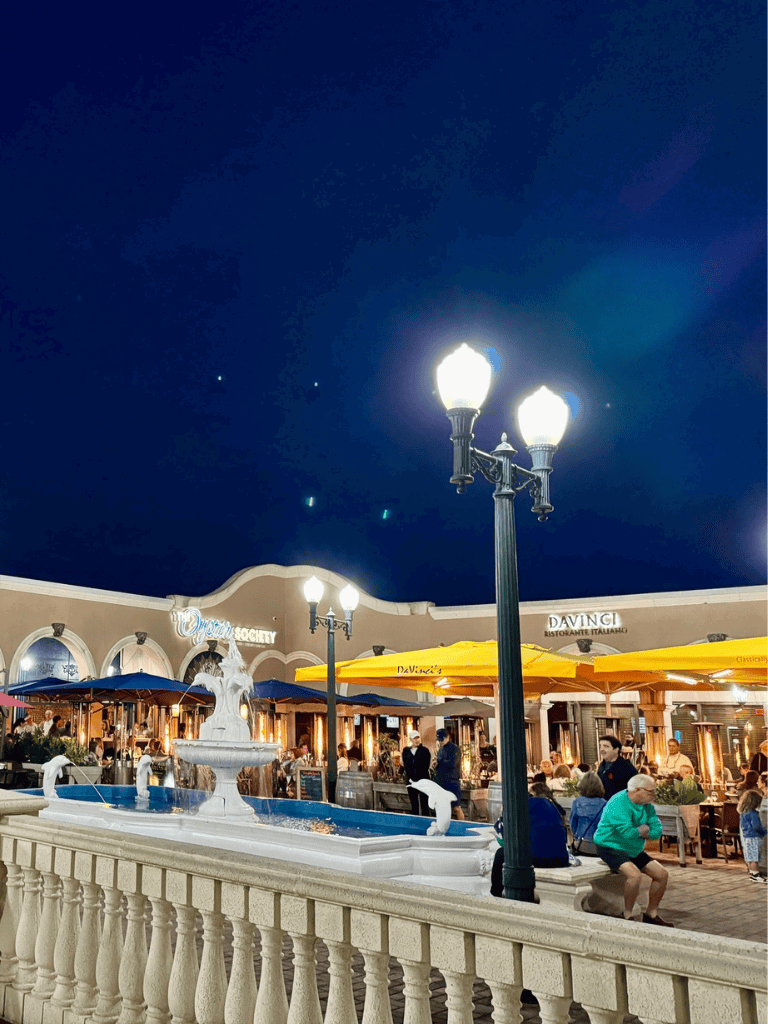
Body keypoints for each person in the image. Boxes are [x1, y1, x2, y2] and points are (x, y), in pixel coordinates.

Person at [593, 775, 671, 925]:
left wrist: (642, 831)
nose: (653, 795)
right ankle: (628, 915)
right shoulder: (618, 803)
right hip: (610, 846)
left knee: (661, 874)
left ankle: (651, 914)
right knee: (634, 876)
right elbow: (627, 833)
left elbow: (657, 831)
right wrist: (642, 831)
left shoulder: (647, 805)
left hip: (632, 848)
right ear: (637, 790)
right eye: (650, 791)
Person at [490, 794, 570, 894]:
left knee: (500, 854)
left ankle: (495, 894)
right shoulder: (548, 803)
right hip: (561, 858)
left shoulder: (517, 805)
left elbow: (502, 834)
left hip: (537, 857)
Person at [569, 772, 607, 855]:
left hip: (583, 845)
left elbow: (573, 825)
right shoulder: (605, 804)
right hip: (601, 846)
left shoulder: (577, 802)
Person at [737, 789, 767, 883]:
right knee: (754, 858)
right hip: (754, 837)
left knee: (750, 857)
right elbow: (756, 826)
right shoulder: (753, 814)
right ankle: (756, 875)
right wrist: (764, 831)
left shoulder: (743, 813)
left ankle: (752, 873)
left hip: (746, 837)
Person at [435, 727, 464, 820]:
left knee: (456, 807)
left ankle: (463, 826)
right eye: (439, 740)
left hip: (452, 781)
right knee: (444, 808)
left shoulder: (455, 749)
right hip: (442, 781)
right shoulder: (441, 749)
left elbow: (453, 763)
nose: (441, 742)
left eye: (442, 739)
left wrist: (439, 761)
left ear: (448, 737)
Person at [401, 729, 432, 816]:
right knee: (414, 804)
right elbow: (406, 765)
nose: (416, 740)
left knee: (424, 803)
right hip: (411, 781)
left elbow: (426, 766)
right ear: (410, 740)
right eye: (414, 738)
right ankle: (416, 821)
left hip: (423, 780)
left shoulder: (425, 750)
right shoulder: (406, 751)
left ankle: (425, 821)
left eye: (418, 738)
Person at [597, 734, 637, 798]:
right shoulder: (602, 766)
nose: (601, 749)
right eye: (600, 746)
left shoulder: (626, 768)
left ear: (616, 750)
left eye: (606, 746)